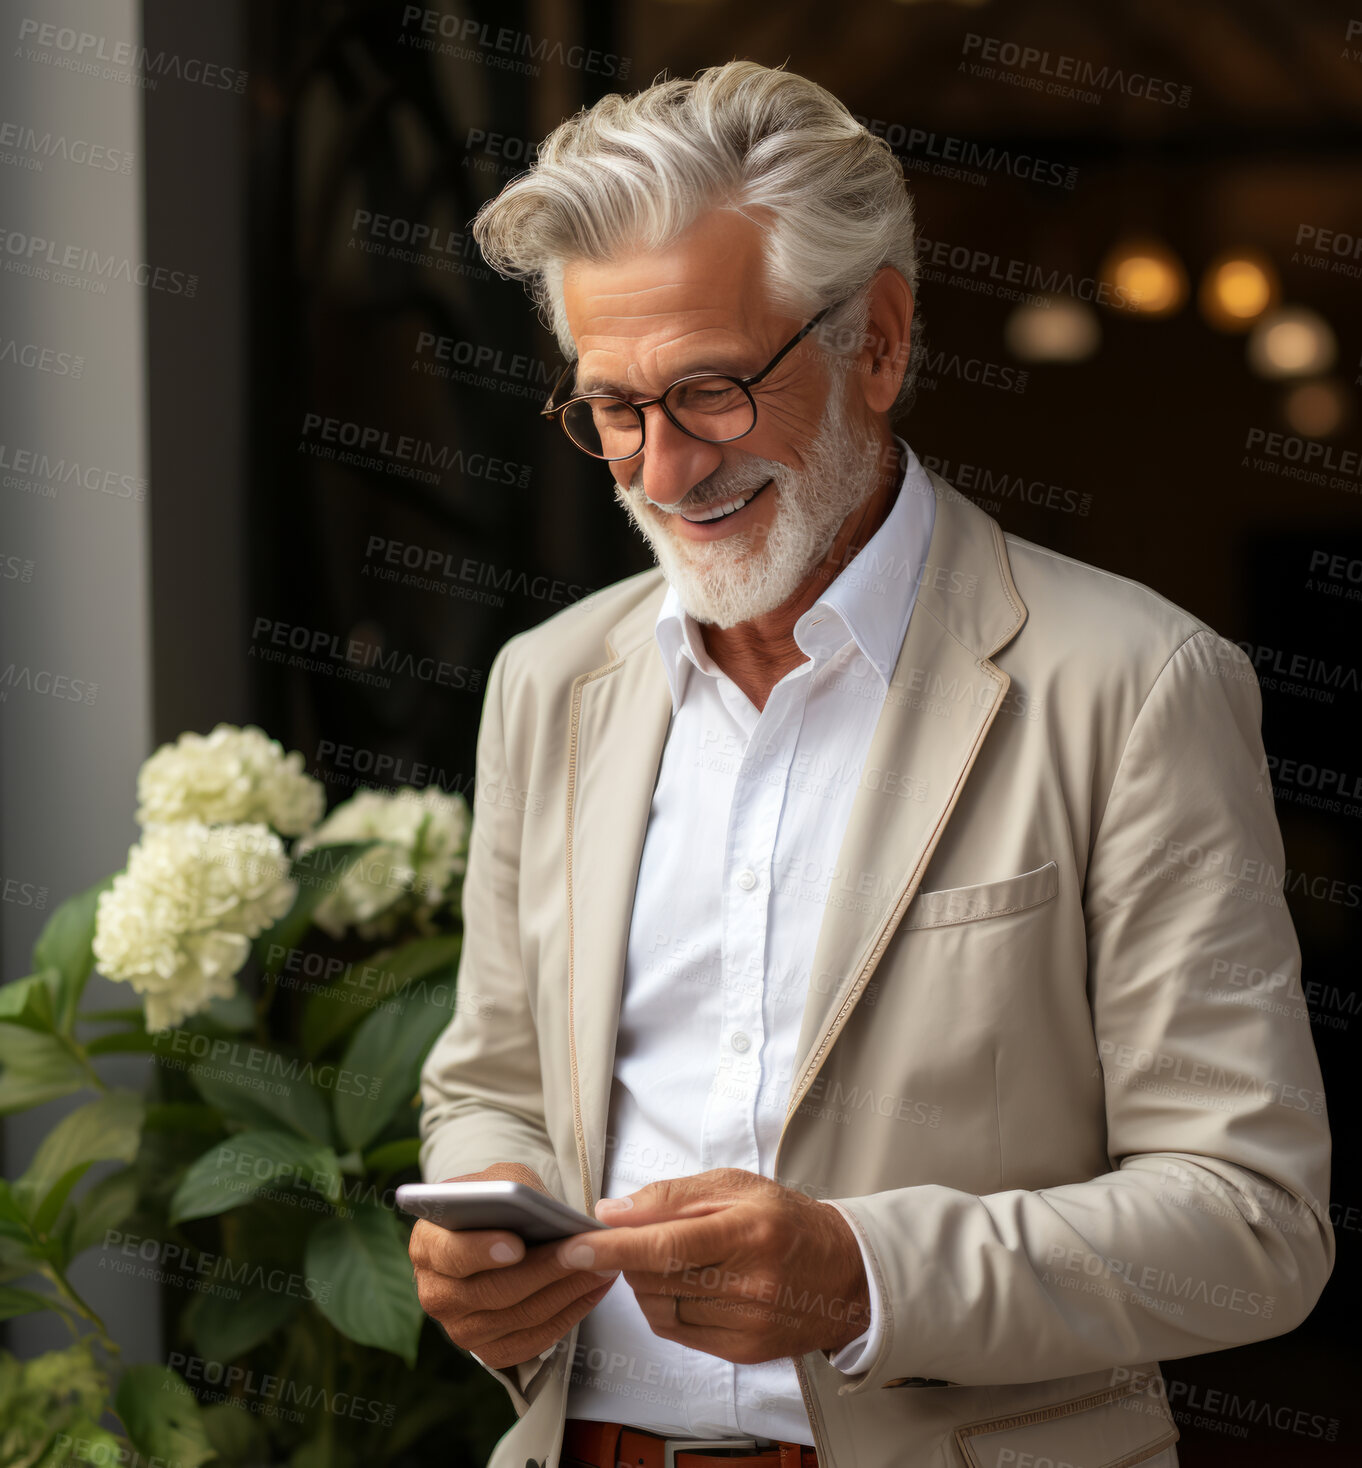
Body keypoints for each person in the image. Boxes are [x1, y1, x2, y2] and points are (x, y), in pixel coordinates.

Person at [410, 60, 1333, 1468]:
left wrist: (860, 1273)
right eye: (611, 410)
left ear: (880, 343)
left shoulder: (1134, 684)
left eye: (710, 391)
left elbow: (1250, 1221)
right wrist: (492, 1209)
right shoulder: (549, 684)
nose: (661, 476)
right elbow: (491, 1081)